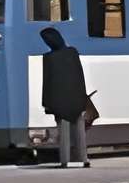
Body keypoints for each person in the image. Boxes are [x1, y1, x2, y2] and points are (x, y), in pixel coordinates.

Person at [38, 26, 95, 166]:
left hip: (59, 102)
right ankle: (84, 159)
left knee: (63, 133)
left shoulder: (48, 58)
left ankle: (65, 160)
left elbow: (47, 82)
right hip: (76, 99)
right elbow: (80, 77)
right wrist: (83, 98)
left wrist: (46, 102)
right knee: (80, 131)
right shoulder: (72, 52)